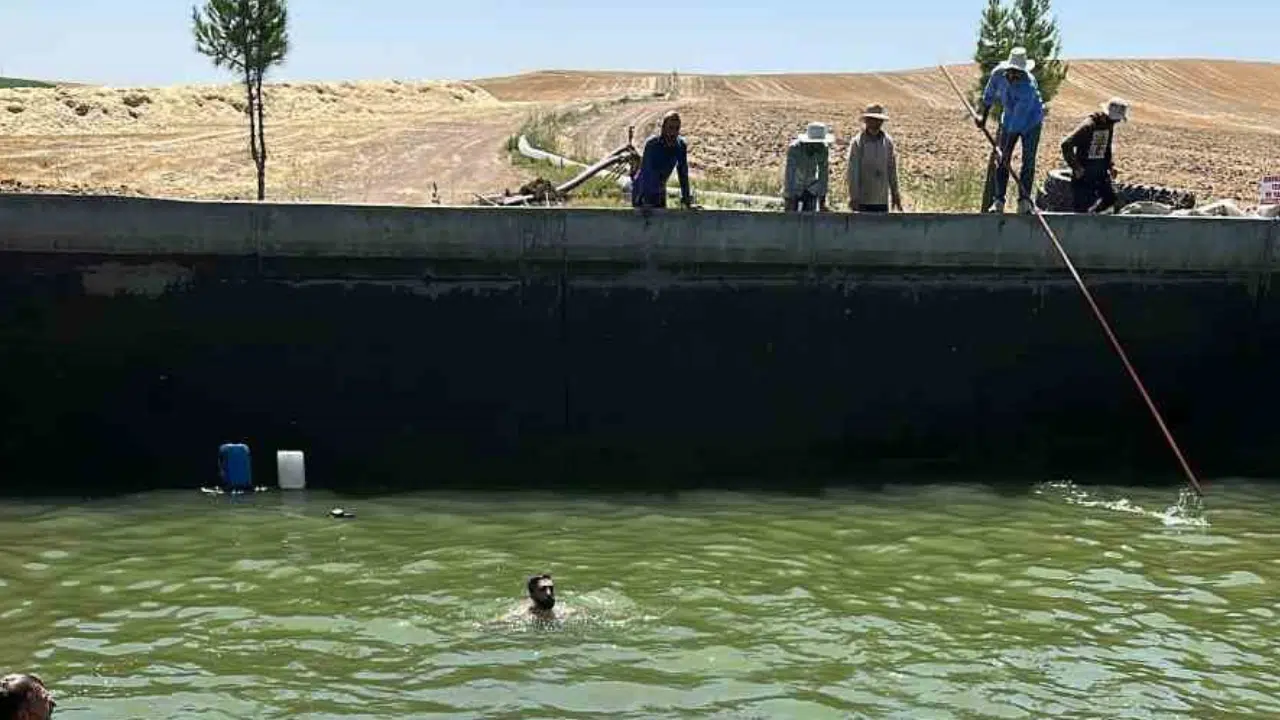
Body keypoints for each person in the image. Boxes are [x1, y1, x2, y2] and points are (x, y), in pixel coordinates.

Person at [978, 48, 1045, 214]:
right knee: (1002, 161)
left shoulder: (1028, 88)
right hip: (1008, 119)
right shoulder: (997, 74)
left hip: (1031, 123)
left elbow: (1018, 121)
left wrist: (1006, 150)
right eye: (1011, 72)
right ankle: (998, 201)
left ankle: (1024, 202)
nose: (1013, 76)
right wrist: (983, 117)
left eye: (1018, 73)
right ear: (1007, 69)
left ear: (1023, 73)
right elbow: (989, 95)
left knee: (1028, 161)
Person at [1061, 97, 1130, 214]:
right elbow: (1066, 144)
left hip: (1100, 173)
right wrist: (1076, 167)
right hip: (1084, 175)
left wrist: (1110, 166)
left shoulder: (1108, 124)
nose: (1117, 122)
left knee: (1112, 199)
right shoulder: (1089, 125)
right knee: (1082, 210)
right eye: (1116, 119)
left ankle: (1095, 215)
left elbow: (1106, 147)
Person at [845, 104, 903, 213]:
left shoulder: (888, 142)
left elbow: (892, 170)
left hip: (882, 200)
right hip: (863, 200)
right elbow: (853, 172)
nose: (875, 123)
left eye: (878, 120)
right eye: (872, 119)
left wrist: (895, 194)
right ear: (866, 121)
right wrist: (854, 197)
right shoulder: (858, 143)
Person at [631, 111, 693, 209]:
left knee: (661, 216)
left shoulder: (680, 146)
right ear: (663, 129)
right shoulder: (652, 145)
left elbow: (683, 173)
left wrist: (686, 199)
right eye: (670, 128)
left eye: (677, 128)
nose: (673, 133)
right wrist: (643, 200)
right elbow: (646, 173)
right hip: (642, 190)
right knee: (646, 216)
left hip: (660, 189)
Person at [783, 122, 835, 212]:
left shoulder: (823, 149)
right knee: (791, 215)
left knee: (810, 216)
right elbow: (790, 174)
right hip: (795, 185)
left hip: (811, 187)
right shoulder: (795, 149)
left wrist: (822, 199)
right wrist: (789, 197)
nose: (818, 146)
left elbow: (823, 174)